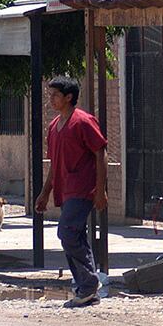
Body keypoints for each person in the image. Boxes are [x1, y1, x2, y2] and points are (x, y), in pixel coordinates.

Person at [34, 76, 108, 308]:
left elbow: (100, 152)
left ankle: (88, 283)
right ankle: (87, 289)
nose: (51, 99)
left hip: (83, 188)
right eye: (50, 94)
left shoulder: (84, 121)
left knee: (66, 233)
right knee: (74, 237)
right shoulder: (54, 126)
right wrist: (45, 193)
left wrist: (101, 189)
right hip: (64, 190)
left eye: (55, 95)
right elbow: (54, 164)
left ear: (69, 97)